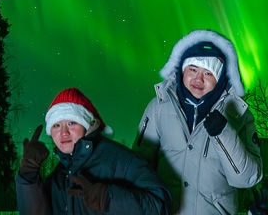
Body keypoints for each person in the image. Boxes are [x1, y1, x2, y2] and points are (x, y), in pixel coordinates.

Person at [134, 29, 262, 215]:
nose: (198, 79)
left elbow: (247, 179)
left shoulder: (238, 114)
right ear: (181, 70)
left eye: (208, 73)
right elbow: (139, 165)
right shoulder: (158, 108)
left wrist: (224, 134)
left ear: (220, 80)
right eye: (193, 69)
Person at [16, 87, 171, 215]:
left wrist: (109, 199)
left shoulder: (121, 160)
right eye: (56, 125)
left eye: (71, 123)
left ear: (87, 125)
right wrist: (28, 175)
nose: (63, 133)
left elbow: (161, 205)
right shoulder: (59, 175)